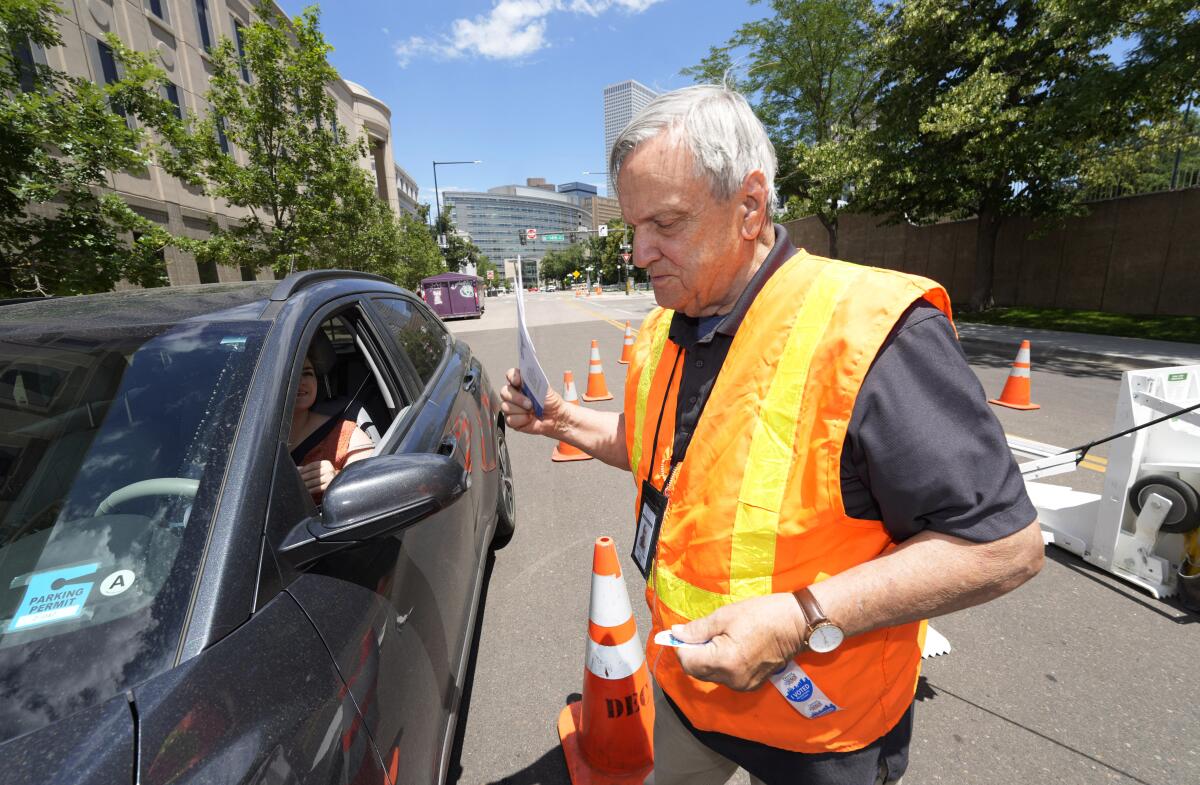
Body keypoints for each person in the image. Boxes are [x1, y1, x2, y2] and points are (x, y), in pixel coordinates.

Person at [500, 84, 1044, 785]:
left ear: (750, 206)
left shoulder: (871, 331)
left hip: (819, 725)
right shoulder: (665, 327)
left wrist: (799, 616)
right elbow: (655, 454)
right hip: (689, 688)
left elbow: (1004, 544)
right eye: (633, 227)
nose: (640, 252)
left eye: (665, 222)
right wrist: (564, 419)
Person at [290, 354, 374, 503]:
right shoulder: (239, 437)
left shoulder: (347, 436)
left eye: (307, 373)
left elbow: (372, 493)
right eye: (290, 373)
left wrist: (338, 481)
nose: (301, 381)